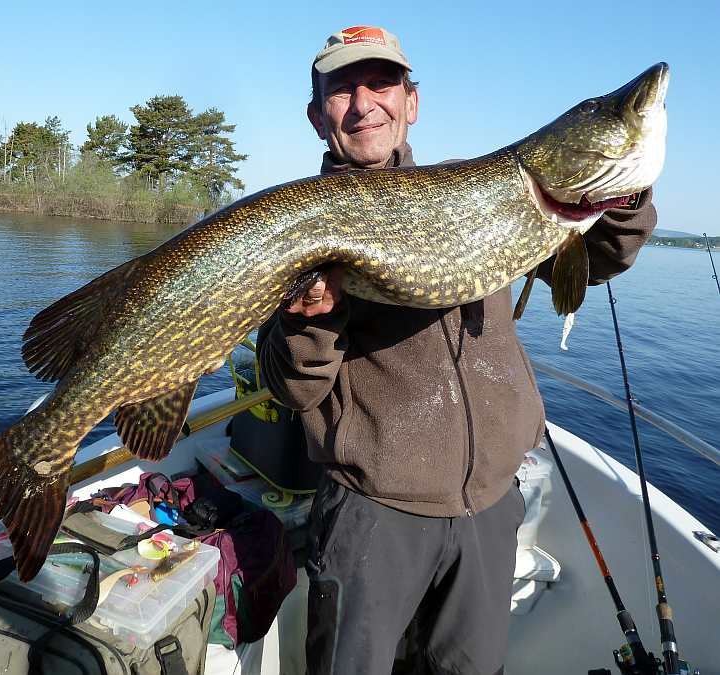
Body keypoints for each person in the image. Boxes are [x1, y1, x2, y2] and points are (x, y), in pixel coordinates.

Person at [256, 25, 657, 675]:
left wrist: (624, 188)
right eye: (341, 90)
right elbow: (291, 386)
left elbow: (598, 258)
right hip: (372, 515)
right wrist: (310, 321)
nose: (363, 104)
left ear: (411, 102)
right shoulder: (299, 222)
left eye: (381, 84)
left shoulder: (485, 193)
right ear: (315, 114)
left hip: (490, 507)